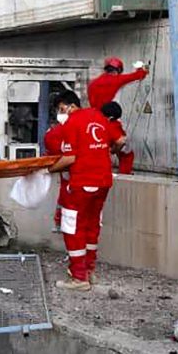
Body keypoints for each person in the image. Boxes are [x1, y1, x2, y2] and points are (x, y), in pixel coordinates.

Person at [47, 90, 114, 292]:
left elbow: (69, 158)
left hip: (82, 182)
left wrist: (48, 170)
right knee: (92, 225)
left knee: (73, 227)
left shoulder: (72, 123)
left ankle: (78, 277)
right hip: (103, 182)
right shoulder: (99, 117)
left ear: (69, 105)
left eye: (61, 109)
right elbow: (112, 143)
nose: (61, 114)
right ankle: (89, 271)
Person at [43, 107, 71, 232]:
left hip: (66, 168)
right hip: (74, 169)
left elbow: (50, 152)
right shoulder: (73, 129)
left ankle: (60, 221)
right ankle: (61, 221)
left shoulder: (52, 133)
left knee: (65, 194)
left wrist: (48, 169)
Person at [100, 101, 134, 175]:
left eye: (103, 116)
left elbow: (121, 142)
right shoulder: (115, 123)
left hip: (125, 152)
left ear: (110, 117)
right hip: (123, 150)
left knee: (124, 172)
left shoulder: (111, 126)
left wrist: (113, 150)